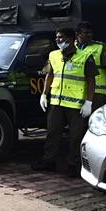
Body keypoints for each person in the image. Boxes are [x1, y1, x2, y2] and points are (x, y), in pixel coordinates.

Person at [32, 27, 96, 178]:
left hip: (76, 105)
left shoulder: (86, 56)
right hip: (56, 103)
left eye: (61, 37)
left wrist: (89, 102)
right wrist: (43, 94)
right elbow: (50, 75)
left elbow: (91, 80)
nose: (58, 40)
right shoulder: (53, 55)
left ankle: (74, 165)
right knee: (52, 132)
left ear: (71, 38)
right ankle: (49, 161)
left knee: (75, 136)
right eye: (57, 37)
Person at [75, 21, 106, 110]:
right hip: (77, 91)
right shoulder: (71, 47)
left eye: (91, 32)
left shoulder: (99, 47)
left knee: (94, 117)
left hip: (97, 91)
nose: (90, 35)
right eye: (86, 32)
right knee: (79, 121)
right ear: (78, 34)